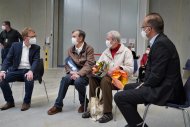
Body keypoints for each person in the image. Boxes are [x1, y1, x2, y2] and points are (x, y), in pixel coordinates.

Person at [114, 13, 186, 127]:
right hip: (163, 85)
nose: (142, 30)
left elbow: (156, 77)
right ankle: (135, 122)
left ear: (149, 29)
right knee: (128, 87)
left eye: (143, 27)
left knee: (119, 97)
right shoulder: (159, 41)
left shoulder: (161, 44)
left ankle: (138, 125)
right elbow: (154, 72)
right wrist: (141, 84)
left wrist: (141, 86)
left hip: (166, 90)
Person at [82, 30, 134, 123]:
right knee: (92, 79)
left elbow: (130, 69)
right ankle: (93, 109)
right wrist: (96, 68)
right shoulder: (106, 51)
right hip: (106, 76)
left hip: (120, 79)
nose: (106, 41)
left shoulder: (126, 52)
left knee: (105, 80)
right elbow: (99, 65)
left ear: (115, 41)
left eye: (108, 39)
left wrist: (119, 67)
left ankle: (108, 112)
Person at [47, 29, 95, 115]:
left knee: (78, 82)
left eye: (74, 36)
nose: (72, 38)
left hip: (85, 74)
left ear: (80, 38)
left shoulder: (89, 49)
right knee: (65, 79)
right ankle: (58, 106)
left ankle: (84, 103)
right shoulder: (70, 49)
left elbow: (90, 64)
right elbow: (68, 63)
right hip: (73, 73)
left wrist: (79, 74)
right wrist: (70, 72)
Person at [0, 27, 40, 111]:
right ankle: (10, 102)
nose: (34, 38)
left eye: (35, 36)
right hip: (17, 70)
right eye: (32, 36)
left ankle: (26, 102)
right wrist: (3, 70)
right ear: (25, 37)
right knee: (1, 79)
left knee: (29, 79)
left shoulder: (36, 48)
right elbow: (8, 59)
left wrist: (31, 71)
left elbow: (36, 61)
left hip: (28, 71)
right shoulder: (15, 45)